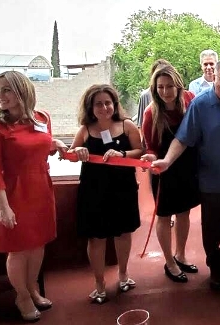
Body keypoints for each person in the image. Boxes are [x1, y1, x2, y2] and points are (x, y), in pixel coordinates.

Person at [151, 59, 220, 291]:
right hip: (211, 181)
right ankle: (216, 268)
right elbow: (182, 138)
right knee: (212, 229)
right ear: (214, 78)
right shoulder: (200, 105)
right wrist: (167, 161)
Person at [0, 71, 67, 321]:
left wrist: (56, 145)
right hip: (12, 193)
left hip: (41, 188)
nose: (0, 96)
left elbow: (40, 143)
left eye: (6, 90)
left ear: (22, 91)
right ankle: (21, 295)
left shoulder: (42, 117)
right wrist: (3, 207)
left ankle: (32, 288)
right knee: (18, 249)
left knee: (38, 243)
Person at [69, 84, 142, 304]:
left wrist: (121, 153)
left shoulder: (127, 125)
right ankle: (99, 282)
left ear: (115, 104)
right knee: (96, 238)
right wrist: (77, 151)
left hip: (123, 188)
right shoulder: (85, 129)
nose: (104, 107)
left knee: (123, 233)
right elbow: (70, 154)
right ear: (90, 107)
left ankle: (123, 274)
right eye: (98, 103)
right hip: (93, 190)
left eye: (108, 102)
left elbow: (140, 151)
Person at [141, 65, 200, 283]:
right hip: (163, 170)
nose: (165, 91)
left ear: (178, 85)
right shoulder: (151, 113)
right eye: (160, 87)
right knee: (164, 215)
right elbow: (149, 146)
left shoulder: (190, 100)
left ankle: (181, 253)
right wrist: (150, 156)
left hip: (187, 167)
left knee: (184, 212)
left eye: (169, 86)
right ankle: (169, 261)